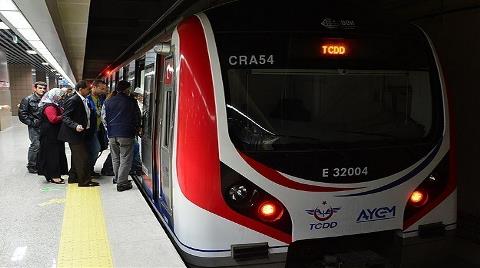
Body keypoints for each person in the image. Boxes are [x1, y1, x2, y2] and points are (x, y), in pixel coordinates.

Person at [57, 80, 99, 187]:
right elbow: (65, 117)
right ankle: (84, 181)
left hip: (81, 133)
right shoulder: (73, 100)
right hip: (74, 134)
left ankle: (73, 177)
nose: (89, 91)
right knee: (82, 158)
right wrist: (75, 125)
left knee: (77, 157)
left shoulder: (83, 100)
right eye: (87, 89)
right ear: (81, 89)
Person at [104, 80, 141, 191]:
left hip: (111, 134)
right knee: (125, 158)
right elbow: (137, 117)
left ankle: (117, 178)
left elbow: (105, 118)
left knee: (115, 158)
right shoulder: (131, 101)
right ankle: (122, 182)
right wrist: (138, 129)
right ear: (127, 89)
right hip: (125, 134)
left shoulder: (108, 101)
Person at [37, 88, 68, 184]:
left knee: (55, 154)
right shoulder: (49, 106)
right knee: (52, 155)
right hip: (50, 135)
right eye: (59, 96)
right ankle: (54, 176)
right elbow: (53, 119)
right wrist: (64, 116)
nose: (61, 98)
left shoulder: (53, 104)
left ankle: (54, 175)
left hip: (53, 134)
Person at [18, 81, 47, 173]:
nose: (42, 90)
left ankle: (40, 163)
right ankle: (32, 165)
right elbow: (22, 115)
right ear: (34, 88)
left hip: (45, 126)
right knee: (36, 145)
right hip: (34, 127)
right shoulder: (27, 99)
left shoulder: (46, 99)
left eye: (44, 88)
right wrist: (32, 123)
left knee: (43, 145)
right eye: (40, 88)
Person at [86, 80, 108, 176]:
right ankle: (88, 169)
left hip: (100, 128)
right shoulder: (87, 99)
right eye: (101, 89)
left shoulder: (102, 98)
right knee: (95, 148)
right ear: (94, 87)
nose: (103, 91)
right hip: (91, 129)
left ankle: (90, 168)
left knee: (100, 148)